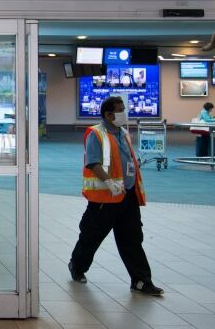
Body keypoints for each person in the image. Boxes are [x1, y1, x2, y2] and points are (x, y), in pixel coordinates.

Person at [68, 96, 164, 296]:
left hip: (127, 196)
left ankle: (141, 281)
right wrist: (109, 182)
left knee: (132, 239)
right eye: (120, 110)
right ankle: (77, 266)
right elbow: (93, 163)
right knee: (90, 238)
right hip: (105, 198)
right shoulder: (96, 134)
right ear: (108, 114)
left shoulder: (123, 133)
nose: (124, 113)